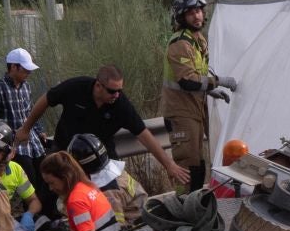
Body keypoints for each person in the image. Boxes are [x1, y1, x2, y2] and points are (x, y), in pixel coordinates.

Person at [21, 64, 190, 188]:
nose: (116, 95)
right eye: (111, 91)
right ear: (98, 85)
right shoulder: (76, 87)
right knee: (49, 182)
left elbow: (144, 135)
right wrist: (26, 128)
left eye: (119, 90)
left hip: (101, 153)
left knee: (115, 188)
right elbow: (46, 99)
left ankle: (117, 220)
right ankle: (48, 221)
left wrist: (169, 165)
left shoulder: (121, 105)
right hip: (66, 148)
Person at [162, 0, 234, 190]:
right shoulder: (180, 44)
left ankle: (194, 206)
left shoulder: (197, 40)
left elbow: (198, 74)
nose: (197, 16)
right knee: (188, 167)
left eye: (199, 11)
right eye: (191, 13)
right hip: (180, 113)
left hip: (194, 109)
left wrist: (210, 92)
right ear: (181, 17)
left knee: (199, 165)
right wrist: (219, 82)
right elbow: (187, 81)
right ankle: (184, 208)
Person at [37, 150, 116, 231]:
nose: (50, 188)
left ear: (65, 177)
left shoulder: (75, 200)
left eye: (52, 183)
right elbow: (81, 229)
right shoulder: (86, 186)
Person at [0, 47, 44, 174]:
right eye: (25, 69)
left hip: (34, 143)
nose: (28, 73)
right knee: (29, 179)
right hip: (15, 148)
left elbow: (30, 112)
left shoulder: (26, 87)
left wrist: (39, 131)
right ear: (13, 67)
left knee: (44, 176)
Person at [69, 131, 146, 227]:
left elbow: (115, 226)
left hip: (134, 225)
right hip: (142, 215)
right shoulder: (118, 172)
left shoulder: (107, 192)